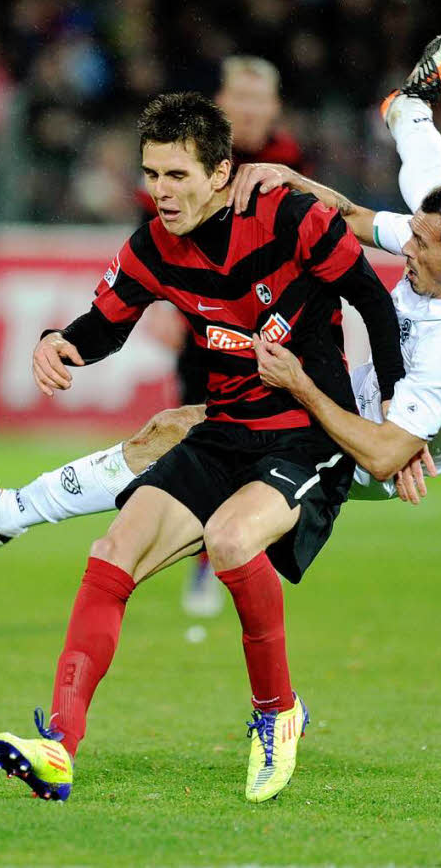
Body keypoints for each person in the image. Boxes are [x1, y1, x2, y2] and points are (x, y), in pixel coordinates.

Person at [0, 90, 405, 803]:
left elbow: (372, 298)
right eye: (152, 175)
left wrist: (393, 404)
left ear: (220, 172)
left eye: (177, 175)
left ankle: (277, 715)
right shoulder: (153, 245)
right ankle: (57, 746)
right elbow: (106, 322)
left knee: (231, 540)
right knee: (111, 553)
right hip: (225, 430)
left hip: (307, 436)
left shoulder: (288, 219)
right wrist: (59, 341)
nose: (161, 191)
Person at [147, 56, 310, 617]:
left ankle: (244, 547)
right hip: (207, 328)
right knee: (201, 435)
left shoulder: (289, 164)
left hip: (274, 333)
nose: (245, 107)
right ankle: (202, 556)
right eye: (236, 95)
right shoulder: (193, 156)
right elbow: (162, 232)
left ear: (273, 107)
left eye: (255, 97)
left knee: (270, 444)